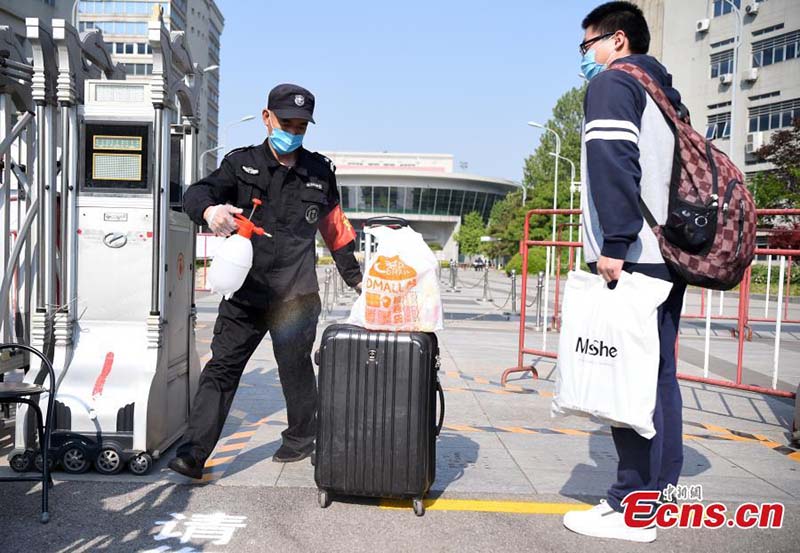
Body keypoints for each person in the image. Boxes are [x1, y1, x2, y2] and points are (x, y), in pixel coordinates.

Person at [169, 84, 362, 479]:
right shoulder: (242, 165)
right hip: (247, 294)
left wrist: (360, 281)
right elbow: (197, 192)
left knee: (295, 371)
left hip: (296, 295)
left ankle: (299, 438)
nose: (293, 130)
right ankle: (192, 453)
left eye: (301, 125)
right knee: (221, 369)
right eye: (286, 122)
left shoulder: (319, 171)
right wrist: (209, 211)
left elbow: (335, 229)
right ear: (266, 117)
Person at [561, 2, 688, 543]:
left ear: (616, 40)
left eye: (586, 45)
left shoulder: (615, 84)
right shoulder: (663, 91)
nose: (584, 57)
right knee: (658, 377)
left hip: (634, 255)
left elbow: (614, 160)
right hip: (666, 254)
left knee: (628, 379)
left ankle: (631, 506)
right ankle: (658, 493)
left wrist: (613, 241)